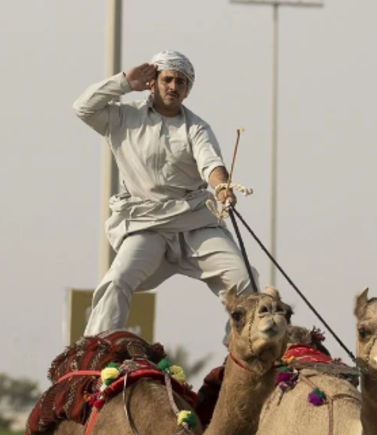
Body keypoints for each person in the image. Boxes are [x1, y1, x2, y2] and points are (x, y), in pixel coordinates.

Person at [73, 50, 257, 336]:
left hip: (195, 222)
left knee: (245, 280)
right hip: (146, 225)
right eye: (167, 79)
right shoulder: (123, 117)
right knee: (117, 279)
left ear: (187, 90)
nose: (173, 86)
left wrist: (222, 188)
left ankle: (245, 354)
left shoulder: (196, 128)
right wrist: (123, 82)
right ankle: (97, 352)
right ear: (153, 82)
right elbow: (83, 108)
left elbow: (211, 164)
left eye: (181, 82)